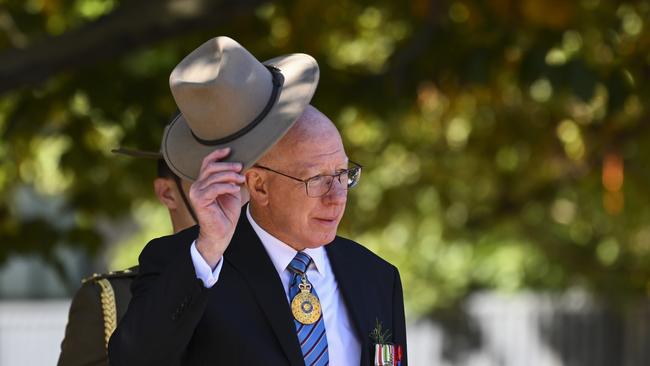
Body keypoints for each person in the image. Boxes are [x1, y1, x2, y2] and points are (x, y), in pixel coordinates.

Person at [109, 36, 407, 366]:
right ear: (259, 186)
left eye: (342, 173)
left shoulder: (376, 277)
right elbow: (133, 360)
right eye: (316, 179)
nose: (337, 197)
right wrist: (209, 248)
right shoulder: (192, 266)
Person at [57, 156, 197, 366]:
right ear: (167, 193)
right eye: (213, 182)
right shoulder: (112, 301)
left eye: (243, 182)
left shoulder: (262, 283)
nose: (234, 197)